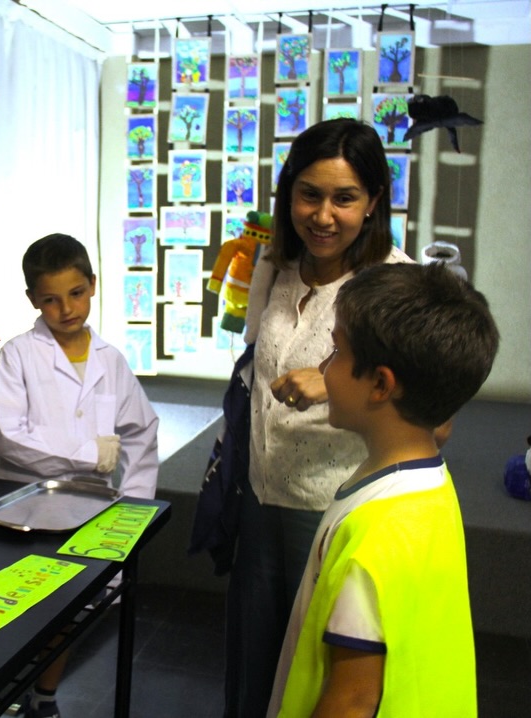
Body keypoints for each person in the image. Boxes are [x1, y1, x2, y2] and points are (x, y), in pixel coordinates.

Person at [224, 118, 412, 718]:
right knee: (255, 663)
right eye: (309, 194)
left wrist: (334, 384)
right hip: (261, 493)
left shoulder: (395, 282)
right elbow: (254, 360)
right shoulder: (275, 266)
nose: (323, 215)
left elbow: (434, 418)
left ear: (373, 202)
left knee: (319, 672)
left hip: (338, 506)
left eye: (344, 198)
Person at [268, 262, 499, 716]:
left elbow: (353, 699)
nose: (322, 368)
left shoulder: (375, 537)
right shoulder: (427, 483)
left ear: (380, 384)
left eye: (335, 353)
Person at [0, 233, 159, 718]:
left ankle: (44, 696)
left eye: (76, 293)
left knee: (70, 610)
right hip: (26, 506)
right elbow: (5, 431)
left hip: (94, 509)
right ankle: (4, 696)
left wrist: (136, 510)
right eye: (51, 300)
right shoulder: (20, 354)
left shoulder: (110, 360)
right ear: (32, 301)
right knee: (23, 610)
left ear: (93, 285)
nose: (66, 308)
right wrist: (86, 454)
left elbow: (141, 432)